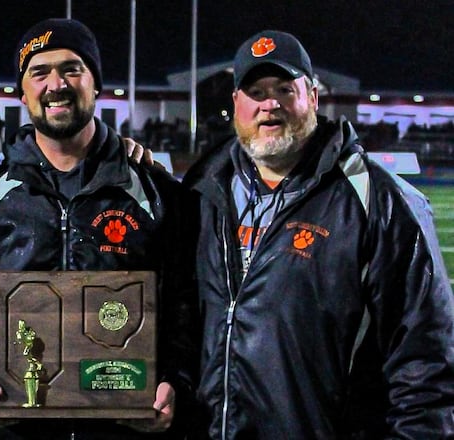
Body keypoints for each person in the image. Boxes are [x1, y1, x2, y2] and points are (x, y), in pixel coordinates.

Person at [182, 30, 454, 438]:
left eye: (284, 89)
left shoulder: (379, 199)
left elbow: (425, 358)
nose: (269, 104)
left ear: (313, 96)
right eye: (255, 91)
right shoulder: (202, 190)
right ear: (236, 103)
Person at [0, 18, 199, 440]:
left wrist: (176, 381)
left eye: (72, 69)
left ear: (95, 83)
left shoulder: (155, 192)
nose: (57, 84)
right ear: (22, 90)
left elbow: (187, 302)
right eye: (39, 72)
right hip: (15, 429)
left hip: (125, 427)